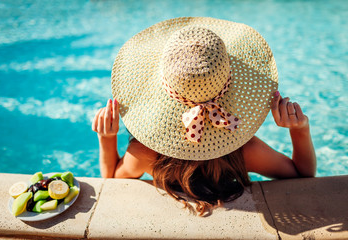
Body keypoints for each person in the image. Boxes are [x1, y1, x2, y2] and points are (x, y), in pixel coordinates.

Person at [92, 17, 316, 215]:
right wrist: (299, 129)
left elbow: (111, 182)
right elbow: (303, 176)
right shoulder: (245, 152)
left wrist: (107, 137)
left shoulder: (146, 153)